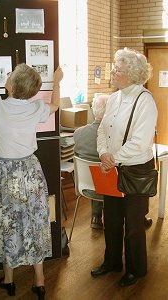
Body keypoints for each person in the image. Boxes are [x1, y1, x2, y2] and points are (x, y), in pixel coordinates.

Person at [0, 41, 63, 299]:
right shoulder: (34, 108)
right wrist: (57, 80)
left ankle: (8, 280)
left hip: (5, 174)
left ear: (10, 85)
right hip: (30, 171)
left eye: (10, 75)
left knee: (5, 222)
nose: (7, 76)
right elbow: (55, 105)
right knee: (35, 222)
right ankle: (40, 281)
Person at [91, 48, 158, 287]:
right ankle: (112, 262)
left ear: (130, 74)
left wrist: (113, 158)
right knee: (111, 219)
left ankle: (136, 269)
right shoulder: (114, 97)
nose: (112, 71)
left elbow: (140, 141)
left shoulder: (145, 101)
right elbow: (101, 129)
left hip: (135, 170)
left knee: (133, 225)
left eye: (117, 69)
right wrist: (103, 153)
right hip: (113, 167)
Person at [73, 94, 109, 229]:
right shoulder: (114, 136)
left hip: (85, 187)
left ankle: (96, 216)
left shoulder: (78, 133)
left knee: (94, 170)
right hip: (110, 189)